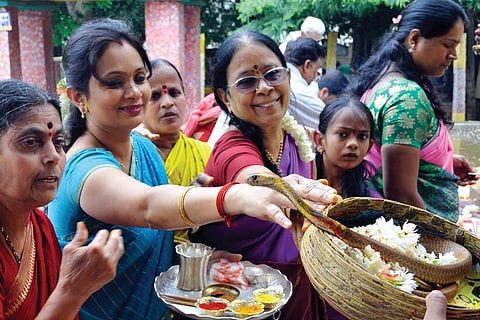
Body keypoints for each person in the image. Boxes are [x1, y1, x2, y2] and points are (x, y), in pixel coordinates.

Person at [46, 19, 337, 320]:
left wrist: (198, 261)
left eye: (139, 77)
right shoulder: (84, 166)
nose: (134, 92)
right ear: (78, 97)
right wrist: (238, 196)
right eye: (115, 82)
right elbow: (148, 207)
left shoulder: (143, 149)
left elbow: (158, 242)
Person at [189, 30, 345, 320]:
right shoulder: (230, 147)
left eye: (273, 74)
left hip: (300, 288)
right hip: (244, 299)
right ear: (225, 95)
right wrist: (282, 187)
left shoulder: (298, 143)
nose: (264, 88)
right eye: (247, 81)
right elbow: (252, 176)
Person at [0, 79, 124, 319]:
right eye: (31, 143)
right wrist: (73, 291)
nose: (53, 157)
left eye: (58, 142)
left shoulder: (40, 226)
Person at [351, 0, 477, 222]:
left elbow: (394, 149)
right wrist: (442, 242)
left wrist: (441, 164)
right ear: (414, 39)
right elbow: (400, 194)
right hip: (412, 240)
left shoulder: (385, 79)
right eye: (448, 45)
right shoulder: (407, 97)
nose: (453, 55)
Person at [136, 58, 211, 245]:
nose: (167, 102)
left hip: (198, 259)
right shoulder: (132, 157)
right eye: (155, 96)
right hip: (149, 263)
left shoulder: (206, 152)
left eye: (175, 93)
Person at [314, 95, 374, 198]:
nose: (353, 144)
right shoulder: (301, 180)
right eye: (342, 134)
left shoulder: (370, 200)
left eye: (362, 136)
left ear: (369, 146)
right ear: (320, 141)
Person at [284, 37, 327, 129]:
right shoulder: (298, 90)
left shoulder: (284, 79)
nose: (317, 75)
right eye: (317, 69)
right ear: (307, 65)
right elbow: (331, 120)